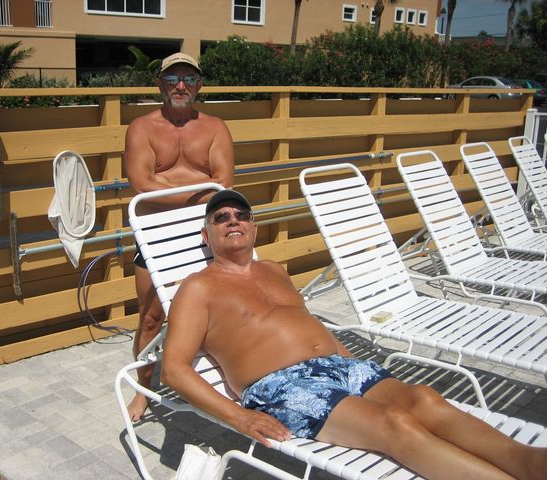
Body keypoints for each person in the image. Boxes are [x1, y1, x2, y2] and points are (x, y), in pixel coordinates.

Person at [161, 190, 547, 480]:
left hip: (341, 367)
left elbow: (306, 324)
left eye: (241, 215)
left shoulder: (275, 270)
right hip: (283, 386)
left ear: (254, 228)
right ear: (206, 235)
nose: (233, 220)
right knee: (393, 423)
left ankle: (528, 462)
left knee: (423, 399)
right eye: (221, 217)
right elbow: (174, 369)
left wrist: (349, 361)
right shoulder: (198, 287)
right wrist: (240, 417)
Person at [124, 52, 234, 420]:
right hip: (157, 234)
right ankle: (143, 390)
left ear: (199, 85)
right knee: (151, 319)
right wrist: (203, 189)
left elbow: (224, 184)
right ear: (160, 84)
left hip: (204, 234)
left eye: (188, 79)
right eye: (172, 79)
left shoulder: (216, 128)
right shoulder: (142, 128)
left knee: (217, 311)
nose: (180, 85)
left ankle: (221, 381)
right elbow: (142, 186)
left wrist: (169, 190)